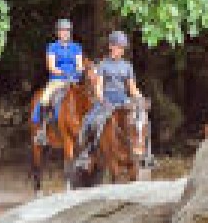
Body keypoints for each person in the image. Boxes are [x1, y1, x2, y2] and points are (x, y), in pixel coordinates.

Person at [76, 31, 146, 168]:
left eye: (122, 47)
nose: (121, 50)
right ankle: (86, 153)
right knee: (89, 121)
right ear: (111, 47)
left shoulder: (127, 66)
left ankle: (146, 154)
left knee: (142, 120)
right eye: (118, 46)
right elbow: (99, 86)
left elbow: (132, 88)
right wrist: (101, 98)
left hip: (123, 98)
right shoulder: (103, 65)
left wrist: (140, 98)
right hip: (107, 98)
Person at [32, 18, 83, 146]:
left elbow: (79, 65)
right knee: (44, 99)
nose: (64, 33)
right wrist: (64, 73)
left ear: (70, 32)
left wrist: (77, 72)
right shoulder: (52, 47)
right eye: (62, 31)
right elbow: (51, 66)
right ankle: (42, 131)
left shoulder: (76, 47)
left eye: (67, 31)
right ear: (58, 33)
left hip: (74, 80)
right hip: (57, 80)